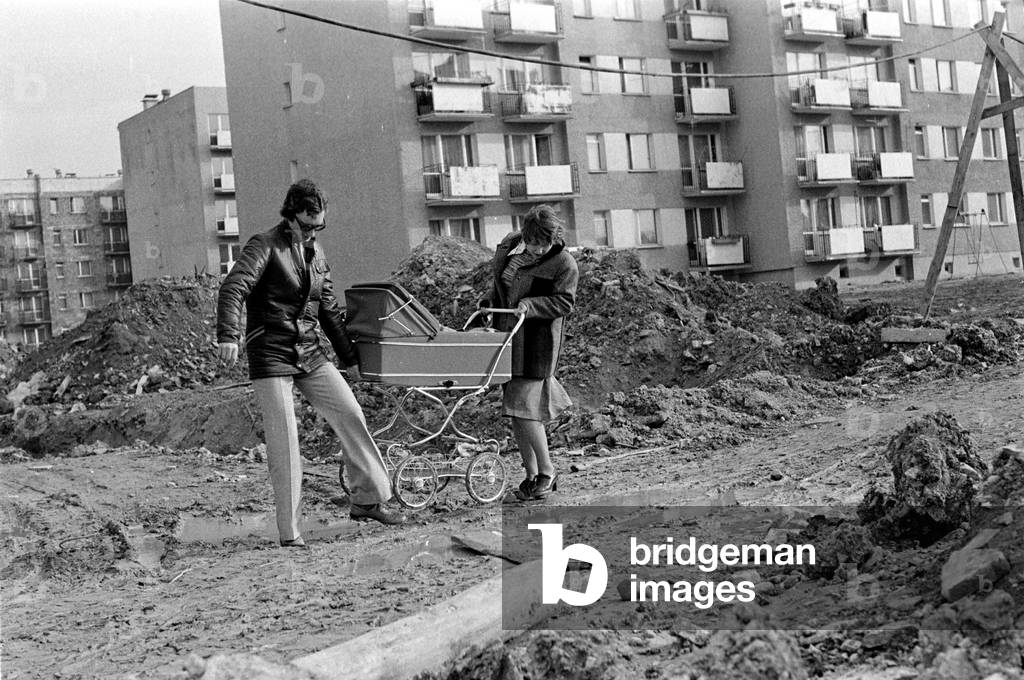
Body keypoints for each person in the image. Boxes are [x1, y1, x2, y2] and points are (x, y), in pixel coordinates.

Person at [216, 179, 404, 547]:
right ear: (290, 217)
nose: (311, 233)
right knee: (285, 443)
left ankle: (367, 500)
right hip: (270, 353)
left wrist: (349, 360)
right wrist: (228, 334)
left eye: (318, 226)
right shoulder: (264, 245)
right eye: (306, 226)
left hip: (309, 351)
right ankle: (291, 533)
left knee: (351, 413)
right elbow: (233, 287)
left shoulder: (317, 255)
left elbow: (329, 311)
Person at [486, 204, 579, 501]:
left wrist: (532, 305)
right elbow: (502, 284)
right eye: (535, 242)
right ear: (526, 235)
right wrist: (488, 301)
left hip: (536, 343)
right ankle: (530, 474)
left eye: (546, 243)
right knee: (515, 413)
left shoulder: (563, 263)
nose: (540, 249)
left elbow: (564, 303)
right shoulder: (509, 247)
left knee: (524, 411)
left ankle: (547, 472)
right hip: (507, 336)